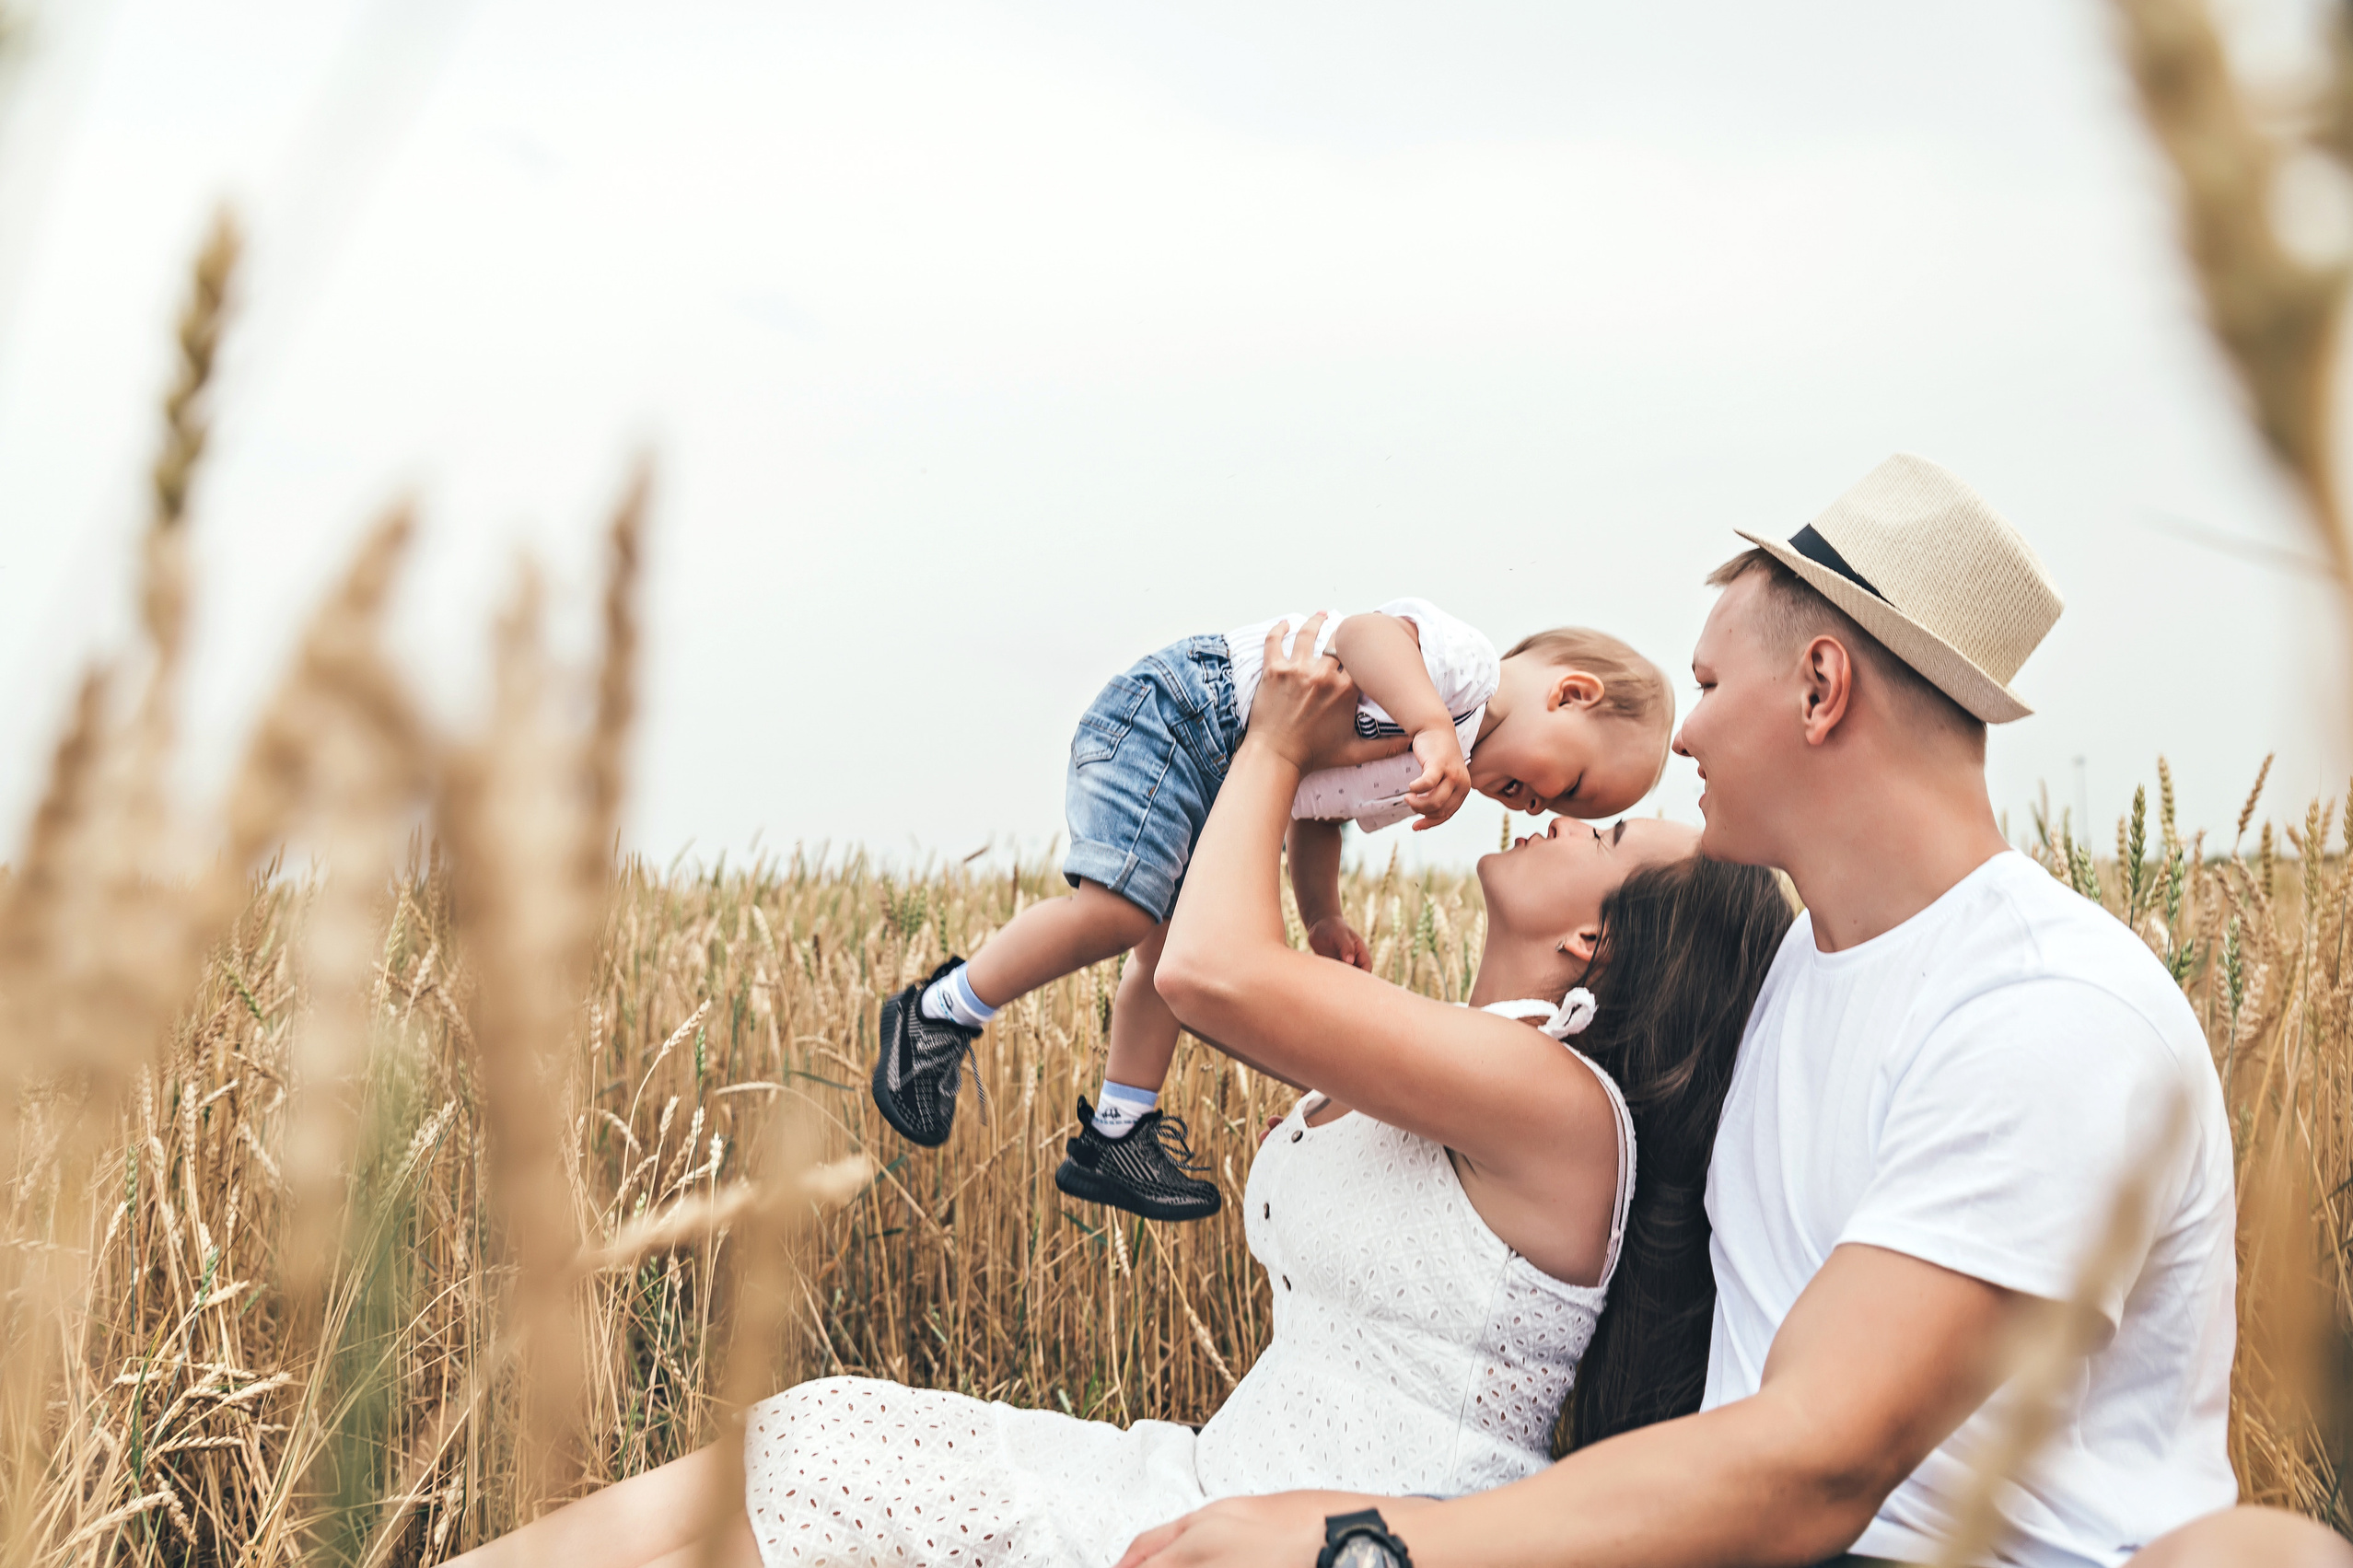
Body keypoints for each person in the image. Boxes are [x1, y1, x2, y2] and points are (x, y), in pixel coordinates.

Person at [446, 617, 1791, 1568]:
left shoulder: (1551, 1102)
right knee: (815, 1427)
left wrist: (1271, 743)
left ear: (1594, 946)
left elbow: (1206, 965)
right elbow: (1200, 959)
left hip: (1314, 1534)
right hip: (1215, 1478)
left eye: (1602, 832)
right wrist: (1291, 884)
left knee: (829, 1487)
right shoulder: (1465, 1055)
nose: (1555, 815)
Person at [1120, 454, 2244, 1568]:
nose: (1686, 738)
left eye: (1706, 686)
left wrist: (1363, 1539)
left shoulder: (2045, 1011)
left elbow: (1818, 1463)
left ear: (1819, 685)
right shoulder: (1793, 974)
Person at [871, 598, 1675, 1222]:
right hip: (1182, 718)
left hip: (1232, 776)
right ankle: (940, 1012)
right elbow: (1365, 634)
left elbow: (1313, 811)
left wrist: (1321, 914)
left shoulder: (1430, 773)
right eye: (1569, 787)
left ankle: (1118, 1130)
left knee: (1162, 954)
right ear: (1570, 693)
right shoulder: (1462, 676)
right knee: (1117, 914)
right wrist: (1430, 722)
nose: (1539, 809)